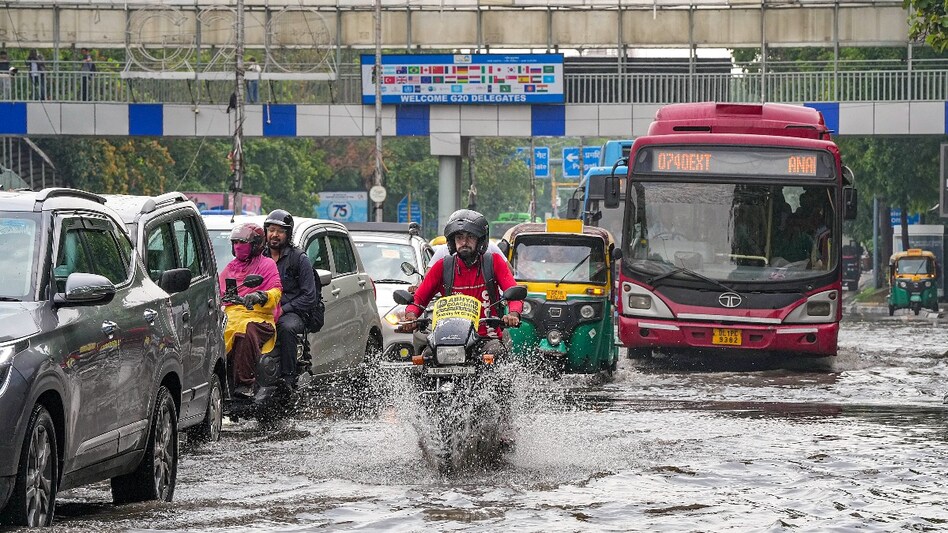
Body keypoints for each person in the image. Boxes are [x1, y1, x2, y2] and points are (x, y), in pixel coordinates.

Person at [402, 209, 522, 342]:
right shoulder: (442, 266)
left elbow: (514, 294)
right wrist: (411, 315)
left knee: (495, 353)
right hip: (449, 339)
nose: (464, 242)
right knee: (427, 356)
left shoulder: (494, 262)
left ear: (481, 240)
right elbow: (419, 298)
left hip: (487, 337)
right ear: (453, 241)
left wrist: (513, 314)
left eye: (470, 237)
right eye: (459, 237)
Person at [219, 222, 283, 398]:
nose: (238, 246)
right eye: (235, 243)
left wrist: (260, 296)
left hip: (260, 317)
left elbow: (276, 291)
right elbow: (218, 290)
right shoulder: (231, 267)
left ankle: (244, 383)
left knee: (245, 331)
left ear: (256, 244)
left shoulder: (267, 264)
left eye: (242, 243)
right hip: (231, 315)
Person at [264, 209, 321, 388]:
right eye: (271, 230)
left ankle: (288, 377)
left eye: (280, 231)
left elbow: (309, 296)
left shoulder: (299, 258)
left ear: (287, 234)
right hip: (264, 308)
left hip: (293, 311)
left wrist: (284, 309)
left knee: (286, 327)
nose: (274, 235)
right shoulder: (259, 256)